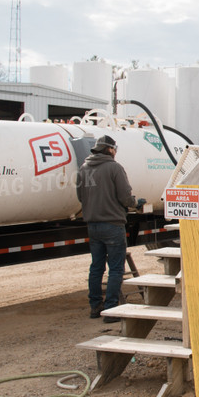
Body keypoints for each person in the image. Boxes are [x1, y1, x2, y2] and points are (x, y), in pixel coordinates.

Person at [76, 134, 142, 322]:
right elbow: (125, 197)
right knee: (115, 269)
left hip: (93, 225)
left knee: (96, 267)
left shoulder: (84, 168)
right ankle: (111, 310)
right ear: (111, 150)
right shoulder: (114, 168)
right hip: (112, 224)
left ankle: (95, 307)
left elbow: (81, 197)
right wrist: (136, 203)